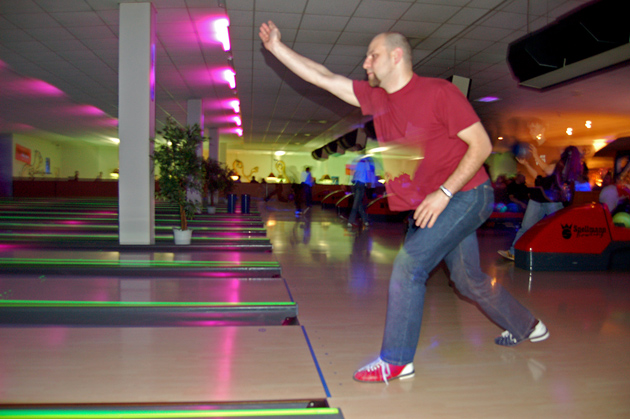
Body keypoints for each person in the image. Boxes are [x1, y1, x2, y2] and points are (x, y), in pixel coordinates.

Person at [260, 21, 548, 384]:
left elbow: (482, 145)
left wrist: (442, 194)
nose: (366, 62)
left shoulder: (439, 92)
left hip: (469, 194)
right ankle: (528, 326)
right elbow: (324, 77)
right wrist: (277, 49)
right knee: (468, 279)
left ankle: (396, 360)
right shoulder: (378, 98)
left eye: (373, 55)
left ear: (397, 57)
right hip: (445, 200)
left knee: (408, 267)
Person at [498, 145, 584, 261]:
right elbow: (538, 176)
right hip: (544, 199)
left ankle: (561, 254)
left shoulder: (561, 166)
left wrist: (535, 155)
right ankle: (514, 253)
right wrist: (526, 164)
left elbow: (546, 170)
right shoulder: (565, 169)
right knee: (544, 228)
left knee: (549, 228)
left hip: (546, 200)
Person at [348, 155, 376, 227]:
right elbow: (368, 173)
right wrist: (369, 183)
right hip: (361, 185)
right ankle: (350, 221)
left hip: (356, 184)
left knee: (358, 203)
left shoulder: (358, 163)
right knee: (356, 204)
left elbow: (354, 173)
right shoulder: (366, 163)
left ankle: (365, 221)